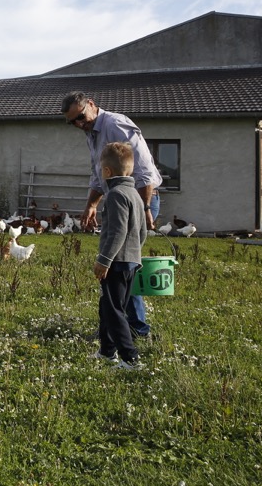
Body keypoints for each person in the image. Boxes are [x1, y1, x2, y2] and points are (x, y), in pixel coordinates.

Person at [61, 91, 162, 338]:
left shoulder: (115, 124)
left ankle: (132, 329)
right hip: (118, 201)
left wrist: (145, 207)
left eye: (81, 117)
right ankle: (122, 328)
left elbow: (144, 169)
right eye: (73, 122)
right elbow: (99, 176)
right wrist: (92, 206)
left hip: (137, 200)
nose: (79, 124)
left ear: (92, 105)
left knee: (122, 268)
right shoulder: (92, 133)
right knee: (122, 268)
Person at [92, 141, 147, 369]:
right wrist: (136, 255)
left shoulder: (115, 195)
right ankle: (107, 351)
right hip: (131, 260)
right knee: (109, 305)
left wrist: (104, 260)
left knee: (114, 311)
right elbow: (142, 231)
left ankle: (130, 358)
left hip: (116, 262)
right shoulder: (135, 195)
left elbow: (117, 232)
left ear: (107, 171)